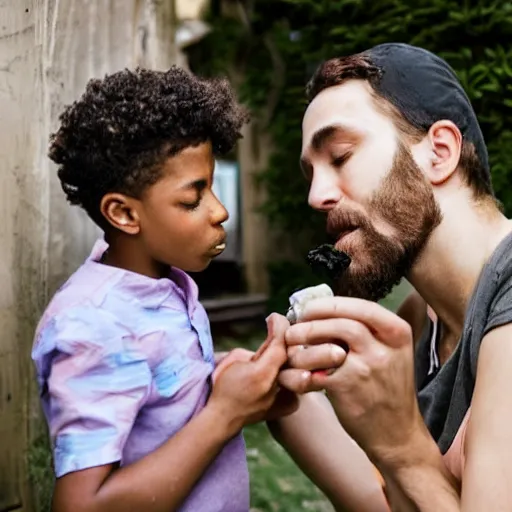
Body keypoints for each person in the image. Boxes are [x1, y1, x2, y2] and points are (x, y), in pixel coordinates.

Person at [31, 66, 296, 512]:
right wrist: (224, 414)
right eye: (193, 199)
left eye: (212, 188)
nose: (220, 211)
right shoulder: (92, 323)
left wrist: (227, 385)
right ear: (124, 214)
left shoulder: (165, 287)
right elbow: (81, 506)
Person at [269, 43, 512, 511]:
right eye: (311, 174)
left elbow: (405, 465)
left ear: (439, 152)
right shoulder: (421, 319)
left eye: (339, 156)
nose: (317, 195)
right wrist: (289, 400)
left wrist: (403, 445)